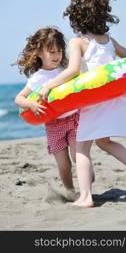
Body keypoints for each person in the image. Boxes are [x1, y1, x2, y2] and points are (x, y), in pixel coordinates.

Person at [39, 0, 126, 207]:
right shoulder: (109, 40)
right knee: (104, 142)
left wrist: (50, 84)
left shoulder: (78, 42)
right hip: (114, 100)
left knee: (82, 147)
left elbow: (72, 71)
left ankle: (85, 197)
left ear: (75, 17)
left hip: (94, 102)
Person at [13, 26, 80, 200]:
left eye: (59, 51)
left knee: (78, 155)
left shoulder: (65, 69)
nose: (57, 55)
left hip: (73, 118)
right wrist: (31, 105)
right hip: (53, 125)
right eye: (51, 51)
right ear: (39, 53)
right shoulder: (37, 78)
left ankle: (86, 179)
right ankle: (70, 191)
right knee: (63, 163)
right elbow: (18, 98)